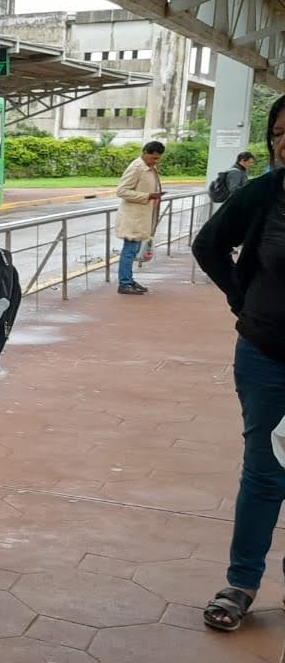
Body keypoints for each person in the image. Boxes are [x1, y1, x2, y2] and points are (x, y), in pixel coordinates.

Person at [193, 94, 285, 633]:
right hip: (266, 354)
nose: (284, 143)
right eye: (278, 133)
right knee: (266, 471)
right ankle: (242, 583)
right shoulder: (264, 194)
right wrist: (241, 299)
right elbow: (209, 245)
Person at [115, 140, 165, 295]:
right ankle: (124, 283)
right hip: (133, 218)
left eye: (158, 158)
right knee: (129, 251)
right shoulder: (137, 168)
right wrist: (147, 196)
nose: (155, 161)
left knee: (134, 250)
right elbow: (121, 191)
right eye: (153, 158)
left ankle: (128, 280)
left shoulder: (150, 168)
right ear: (145, 153)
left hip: (142, 216)